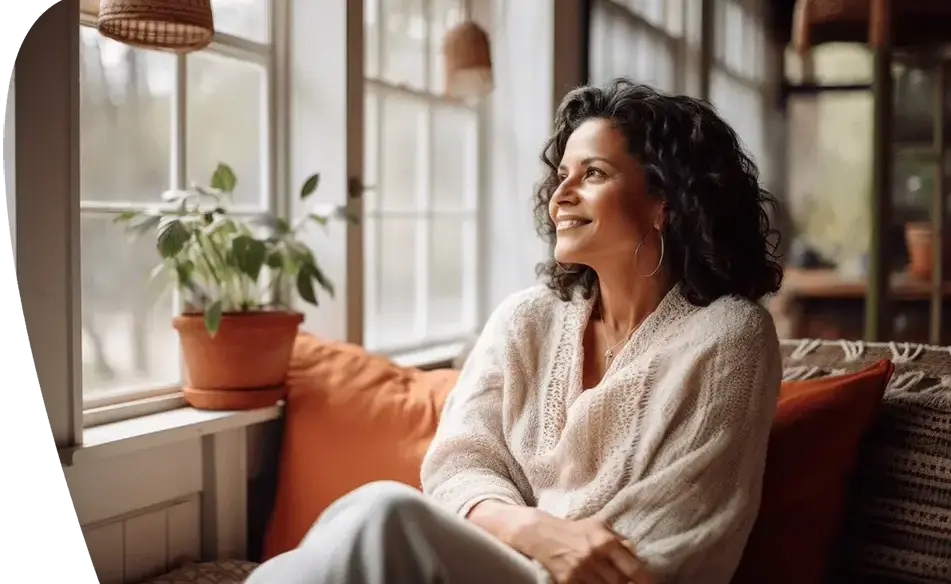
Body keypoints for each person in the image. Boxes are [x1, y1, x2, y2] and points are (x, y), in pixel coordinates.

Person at [246, 79, 784, 584]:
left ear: (665, 200)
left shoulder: (730, 335)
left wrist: (523, 544)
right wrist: (533, 531)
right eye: (562, 176)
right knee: (363, 522)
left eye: (592, 174)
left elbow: (665, 542)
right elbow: (458, 464)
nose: (560, 196)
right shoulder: (526, 319)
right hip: (502, 560)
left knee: (383, 515)